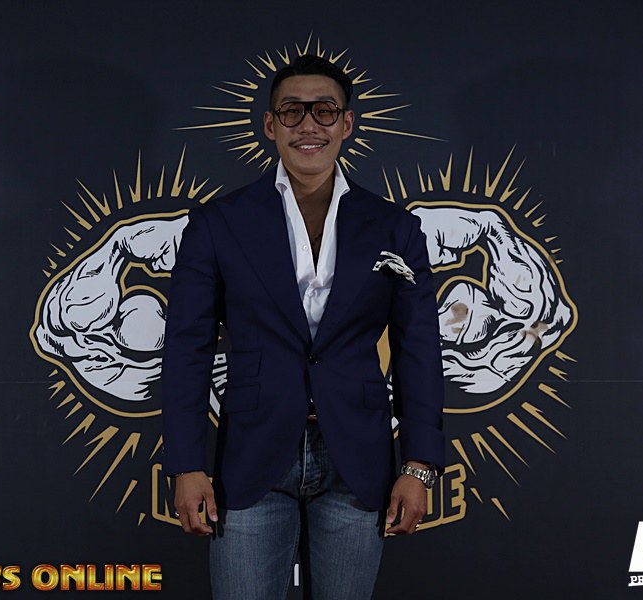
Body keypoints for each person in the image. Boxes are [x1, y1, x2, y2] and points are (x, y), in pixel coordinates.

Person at [161, 54, 445, 599]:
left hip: (357, 460)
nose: (308, 125)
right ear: (270, 126)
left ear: (347, 124)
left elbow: (419, 352)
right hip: (251, 459)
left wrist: (419, 464)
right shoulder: (218, 223)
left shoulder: (396, 228)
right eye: (292, 111)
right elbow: (186, 350)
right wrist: (186, 464)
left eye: (324, 111)